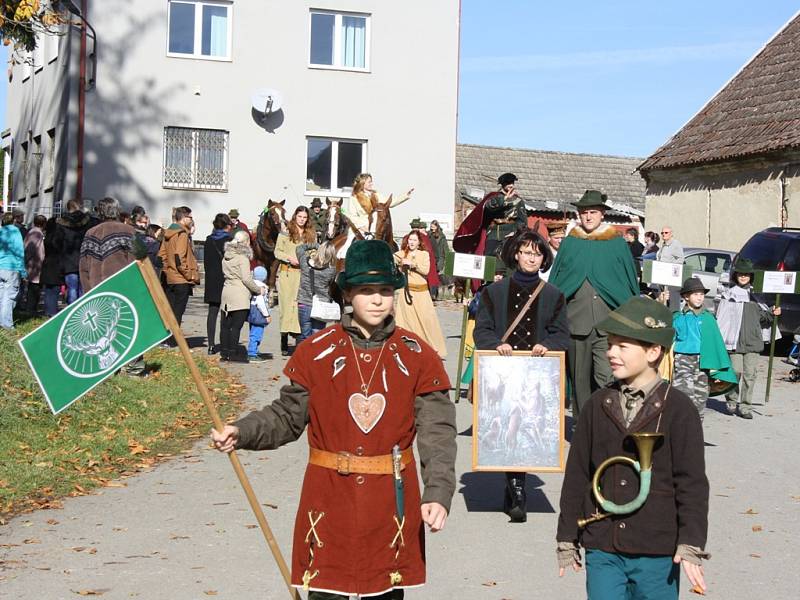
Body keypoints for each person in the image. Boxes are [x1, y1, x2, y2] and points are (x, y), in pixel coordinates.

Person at [210, 239, 456, 599]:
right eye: (366, 290)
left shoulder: (418, 355)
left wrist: (438, 491)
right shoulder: (316, 351)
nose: (377, 300)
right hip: (328, 500)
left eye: (385, 290)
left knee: (385, 592)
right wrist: (242, 431)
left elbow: (438, 431)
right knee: (326, 591)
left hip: (390, 504)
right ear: (347, 293)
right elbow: (286, 417)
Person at [557, 296, 710, 599]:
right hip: (603, 543)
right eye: (610, 344)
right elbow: (576, 475)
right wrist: (566, 537)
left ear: (654, 351)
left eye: (622, 346)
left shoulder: (679, 409)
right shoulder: (596, 405)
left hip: (657, 547)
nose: (611, 353)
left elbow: (692, 483)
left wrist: (691, 543)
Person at [473, 229, 569, 522]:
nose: (531, 258)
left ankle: (517, 486)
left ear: (543, 259)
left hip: (534, 375)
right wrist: (496, 345)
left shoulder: (554, 296)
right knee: (504, 424)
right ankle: (513, 485)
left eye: (537, 253)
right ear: (516, 254)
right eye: (526, 252)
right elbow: (482, 330)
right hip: (503, 372)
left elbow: (561, 333)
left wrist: (547, 345)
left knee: (527, 425)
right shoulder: (493, 292)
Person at [548, 190, 639, 418]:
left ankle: (607, 421)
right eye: (584, 212)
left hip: (608, 325)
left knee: (606, 376)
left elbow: (627, 280)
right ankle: (582, 424)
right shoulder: (570, 243)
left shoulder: (616, 244)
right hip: (576, 323)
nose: (588, 217)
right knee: (579, 380)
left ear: (602, 214)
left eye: (593, 212)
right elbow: (558, 280)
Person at [715, 258, 781, 419]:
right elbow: (722, 319)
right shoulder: (728, 295)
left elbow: (763, 318)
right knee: (735, 372)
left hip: (752, 341)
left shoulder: (755, 297)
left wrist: (773, 313)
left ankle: (745, 406)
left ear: (751, 276)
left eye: (746, 274)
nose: (743, 277)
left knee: (750, 375)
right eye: (740, 274)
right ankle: (731, 400)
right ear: (735, 275)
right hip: (734, 342)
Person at [672, 277, 738, 421]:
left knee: (700, 398)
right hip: (682, 359)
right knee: (683, 396)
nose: (699, 297)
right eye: (695, 294)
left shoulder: (708, 318)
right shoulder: (677, 318)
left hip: (703, 362)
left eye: (701, 294)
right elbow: (670, 339)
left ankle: (695, 433)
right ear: (686, 296)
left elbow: (716, 345)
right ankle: (681, 431)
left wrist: (717, 368)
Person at [453, 173, 528, 280]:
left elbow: (522, 220)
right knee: (490, 259)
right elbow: (488, 208)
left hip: (511, 233)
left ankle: (509, 281)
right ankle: (488, 282)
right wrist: (503, 200)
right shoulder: (494, 197)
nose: (511, 185)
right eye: (508, 183)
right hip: (493, 232)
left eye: (512, 183)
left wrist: (516, 232)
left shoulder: (518, 200)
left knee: (510, 259)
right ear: (502, 185)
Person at [393, 230, 448, 358]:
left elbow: (425, 270)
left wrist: (412, 264)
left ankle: (431, 348)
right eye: (410, 240)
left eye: (414, 240)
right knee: (404, 321)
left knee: (426, 321)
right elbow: (390, 258)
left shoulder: (424, 254)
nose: (411, 242)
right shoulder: (401, 254)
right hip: (405, 293)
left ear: (419, 243)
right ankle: (405, 347)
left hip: (421, 294)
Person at [274, 206, 316, 356]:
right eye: (300, 217)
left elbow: (314, 252)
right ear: (295, 217)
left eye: (305, 217)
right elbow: (277, 251)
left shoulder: (310, 234)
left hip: (303, 274)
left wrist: (310, 260)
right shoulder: (285, 233)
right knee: (286, 307)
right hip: (287, 274)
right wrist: (288, 258)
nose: (302, 220)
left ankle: (299, 339)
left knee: (300, 307)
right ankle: (284, 337)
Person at [340, 173, 413, 256]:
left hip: (376, 225)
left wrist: (405, 196)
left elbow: (389, 204)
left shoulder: (376, 195)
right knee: (347, 246)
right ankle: (342, 262)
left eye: (371, 181)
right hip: (360, 227)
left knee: (393, 244)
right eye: (369, 182)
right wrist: (362, 226)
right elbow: (352, 216)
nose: (372, 184)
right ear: (362, 183)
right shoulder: (354, 197)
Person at [220, 230, 262, 363]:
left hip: (227, 291)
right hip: (240, 294)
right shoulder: (243, 258)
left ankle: (224, 352)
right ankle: (233, 353)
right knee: (236, 326)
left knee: (225, 325)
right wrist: (258, 290)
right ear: (245, 242)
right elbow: (246, 279)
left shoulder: (226, 256)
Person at [78, 197, 136, 292]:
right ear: (118, 210)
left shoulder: (90, 233)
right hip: (122, 288)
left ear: (100, 212)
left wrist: (88, 291)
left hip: (96, 289)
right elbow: (137, 262)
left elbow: (83, 267)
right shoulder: (129, 231)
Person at [158, 206, 200, 332]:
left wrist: (167, 270)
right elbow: (179, 257)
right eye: (191, 217)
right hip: (181, 279)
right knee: (177, 312)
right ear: (184, 218)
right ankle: (173, 340)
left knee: (170, 311)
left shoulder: (168, 233)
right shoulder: (182, 234)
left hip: (170, 278)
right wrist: (189, 275)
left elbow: (161, 256)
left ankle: (166, 339)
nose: (192, 220)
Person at [296, 240, 337, 343]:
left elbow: (299, 248)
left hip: (304, 303)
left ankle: (305, 357)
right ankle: (315, 357)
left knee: (305, 336)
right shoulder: (331, 270)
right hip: (321, 304)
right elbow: (330, 283)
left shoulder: (304, 262)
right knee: (318, 337)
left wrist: (315, 245)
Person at [204, 213, 233, 355]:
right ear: (227, 225)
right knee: (225, 313)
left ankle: (210, 345)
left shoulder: (208, 240)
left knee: (212, 312)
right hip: (225, 278)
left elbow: (206, 262)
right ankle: (224, 344)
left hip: (211, 279)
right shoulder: (229, 240)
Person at [55, 198, 92, 304]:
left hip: (68, 260)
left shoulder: (61, 223)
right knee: (83, 289)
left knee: (72, 288)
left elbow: (57, 242)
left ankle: (72, 312)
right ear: (79, 206)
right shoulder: (88, 221)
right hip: (85, 258)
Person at [0, 212, 27, 329]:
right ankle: (6, 324)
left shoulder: (1, 232)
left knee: (2, 296)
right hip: (11, 268)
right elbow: (19, 252)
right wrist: (23, 271)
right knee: (10, 297)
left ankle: (3, 320)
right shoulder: (15, 232)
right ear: (13, 221)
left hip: (1, 268)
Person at [247, 266, 272, 362]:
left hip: (251, 311)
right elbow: (261, 303)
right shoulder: (262, 288)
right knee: (257, 333)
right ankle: (252, 353)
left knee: (252, 331)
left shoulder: (252, 285)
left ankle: (254, 350)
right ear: (264, 277)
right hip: (259, 313)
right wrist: (267, 315)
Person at [656, 226, 684, 312]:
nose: (663, 234)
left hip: (672, 279)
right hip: (662, 277)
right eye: (662, 233)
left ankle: (674, 321)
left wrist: (670, 267)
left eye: (666, 232)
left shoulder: (675, 244)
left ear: (671, 234)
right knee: (664, 301)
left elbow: (681, 259)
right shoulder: (663, 245)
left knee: (673, 304)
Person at [23, 215, 47, 314]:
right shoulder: (36, 233)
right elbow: (30, 249)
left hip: (34, 265)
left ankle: (32, 309)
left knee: (34, 288)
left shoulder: (34, 232)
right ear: (43, 223)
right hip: (34, 265)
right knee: (34, 288)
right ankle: (31, 310)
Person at [40, 217, 63, 317]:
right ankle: (53, 312)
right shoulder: (58, 237)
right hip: (56, 265)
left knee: (48, 290)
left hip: (47, 265)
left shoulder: (47, 237)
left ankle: (48, 311)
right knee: (54, 291)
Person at [427, 220, 449, 300]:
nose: (432, 226)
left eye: (433, 225)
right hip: (429, 257)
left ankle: (434, 294)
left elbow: (445, 248)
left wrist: (447, 258)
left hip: (439, 258)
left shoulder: (441, 236)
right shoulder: (428, 234)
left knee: (435, 276)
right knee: (429, 275)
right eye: (431, 225)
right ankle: (430, 293)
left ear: (437, 226)